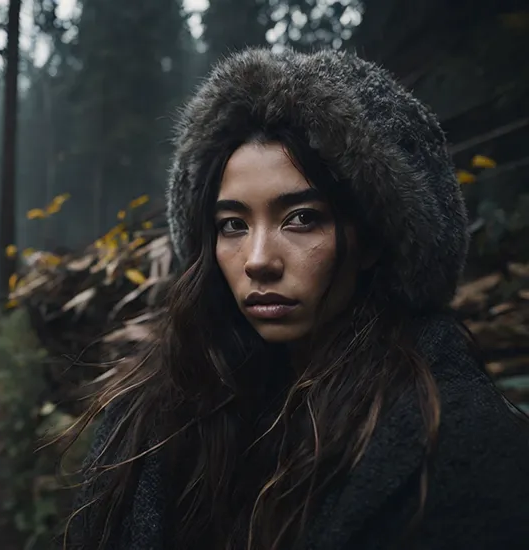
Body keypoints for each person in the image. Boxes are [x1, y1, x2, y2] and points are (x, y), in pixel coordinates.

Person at [63, 47, 529, 550]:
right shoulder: (158, 419)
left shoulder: (462, 444)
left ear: (372, 238)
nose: (258, 259)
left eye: (301, 217)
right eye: (233, 225)